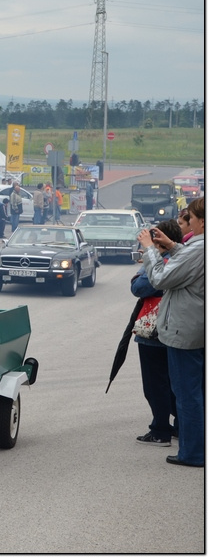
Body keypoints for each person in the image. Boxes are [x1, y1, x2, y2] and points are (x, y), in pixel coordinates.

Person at [137, 197, 205, 468]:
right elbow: (187, 261)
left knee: (187, 395)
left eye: (189, 217)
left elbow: (160, 279)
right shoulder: (194, 247)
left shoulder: (198, 249)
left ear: (201, 221)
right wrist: (172, 246)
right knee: (191, 392)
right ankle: (194, 449)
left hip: (184, 330)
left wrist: (150, 250)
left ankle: (193, 453)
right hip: (192, 328)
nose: (186, 222)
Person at [129, 218, 184, 447]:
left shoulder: (164, 259)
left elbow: (139, 287)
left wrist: (143, 269)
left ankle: (160, 430)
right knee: (175, 383)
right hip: (176, 329)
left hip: (154, 333)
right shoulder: (184, 256)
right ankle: (179, 427)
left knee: (155, 384)